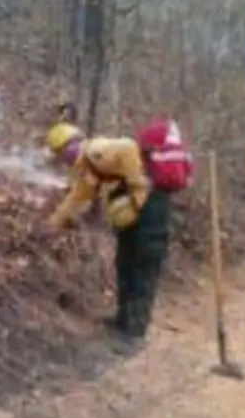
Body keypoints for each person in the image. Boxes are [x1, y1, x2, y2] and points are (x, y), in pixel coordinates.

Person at [44, 122, 172, 352]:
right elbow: (75, 198)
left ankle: (135, 333)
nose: (64, 158)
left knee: (143, 269)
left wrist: (137, 190)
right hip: (134, 214)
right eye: (61, 154)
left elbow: (128, 146)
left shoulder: (96, 152)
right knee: (125, 264)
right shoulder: (88, 169)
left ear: (74, 144)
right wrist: (53, 224)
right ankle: (123, 320)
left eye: (64, 151)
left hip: (150, 209)